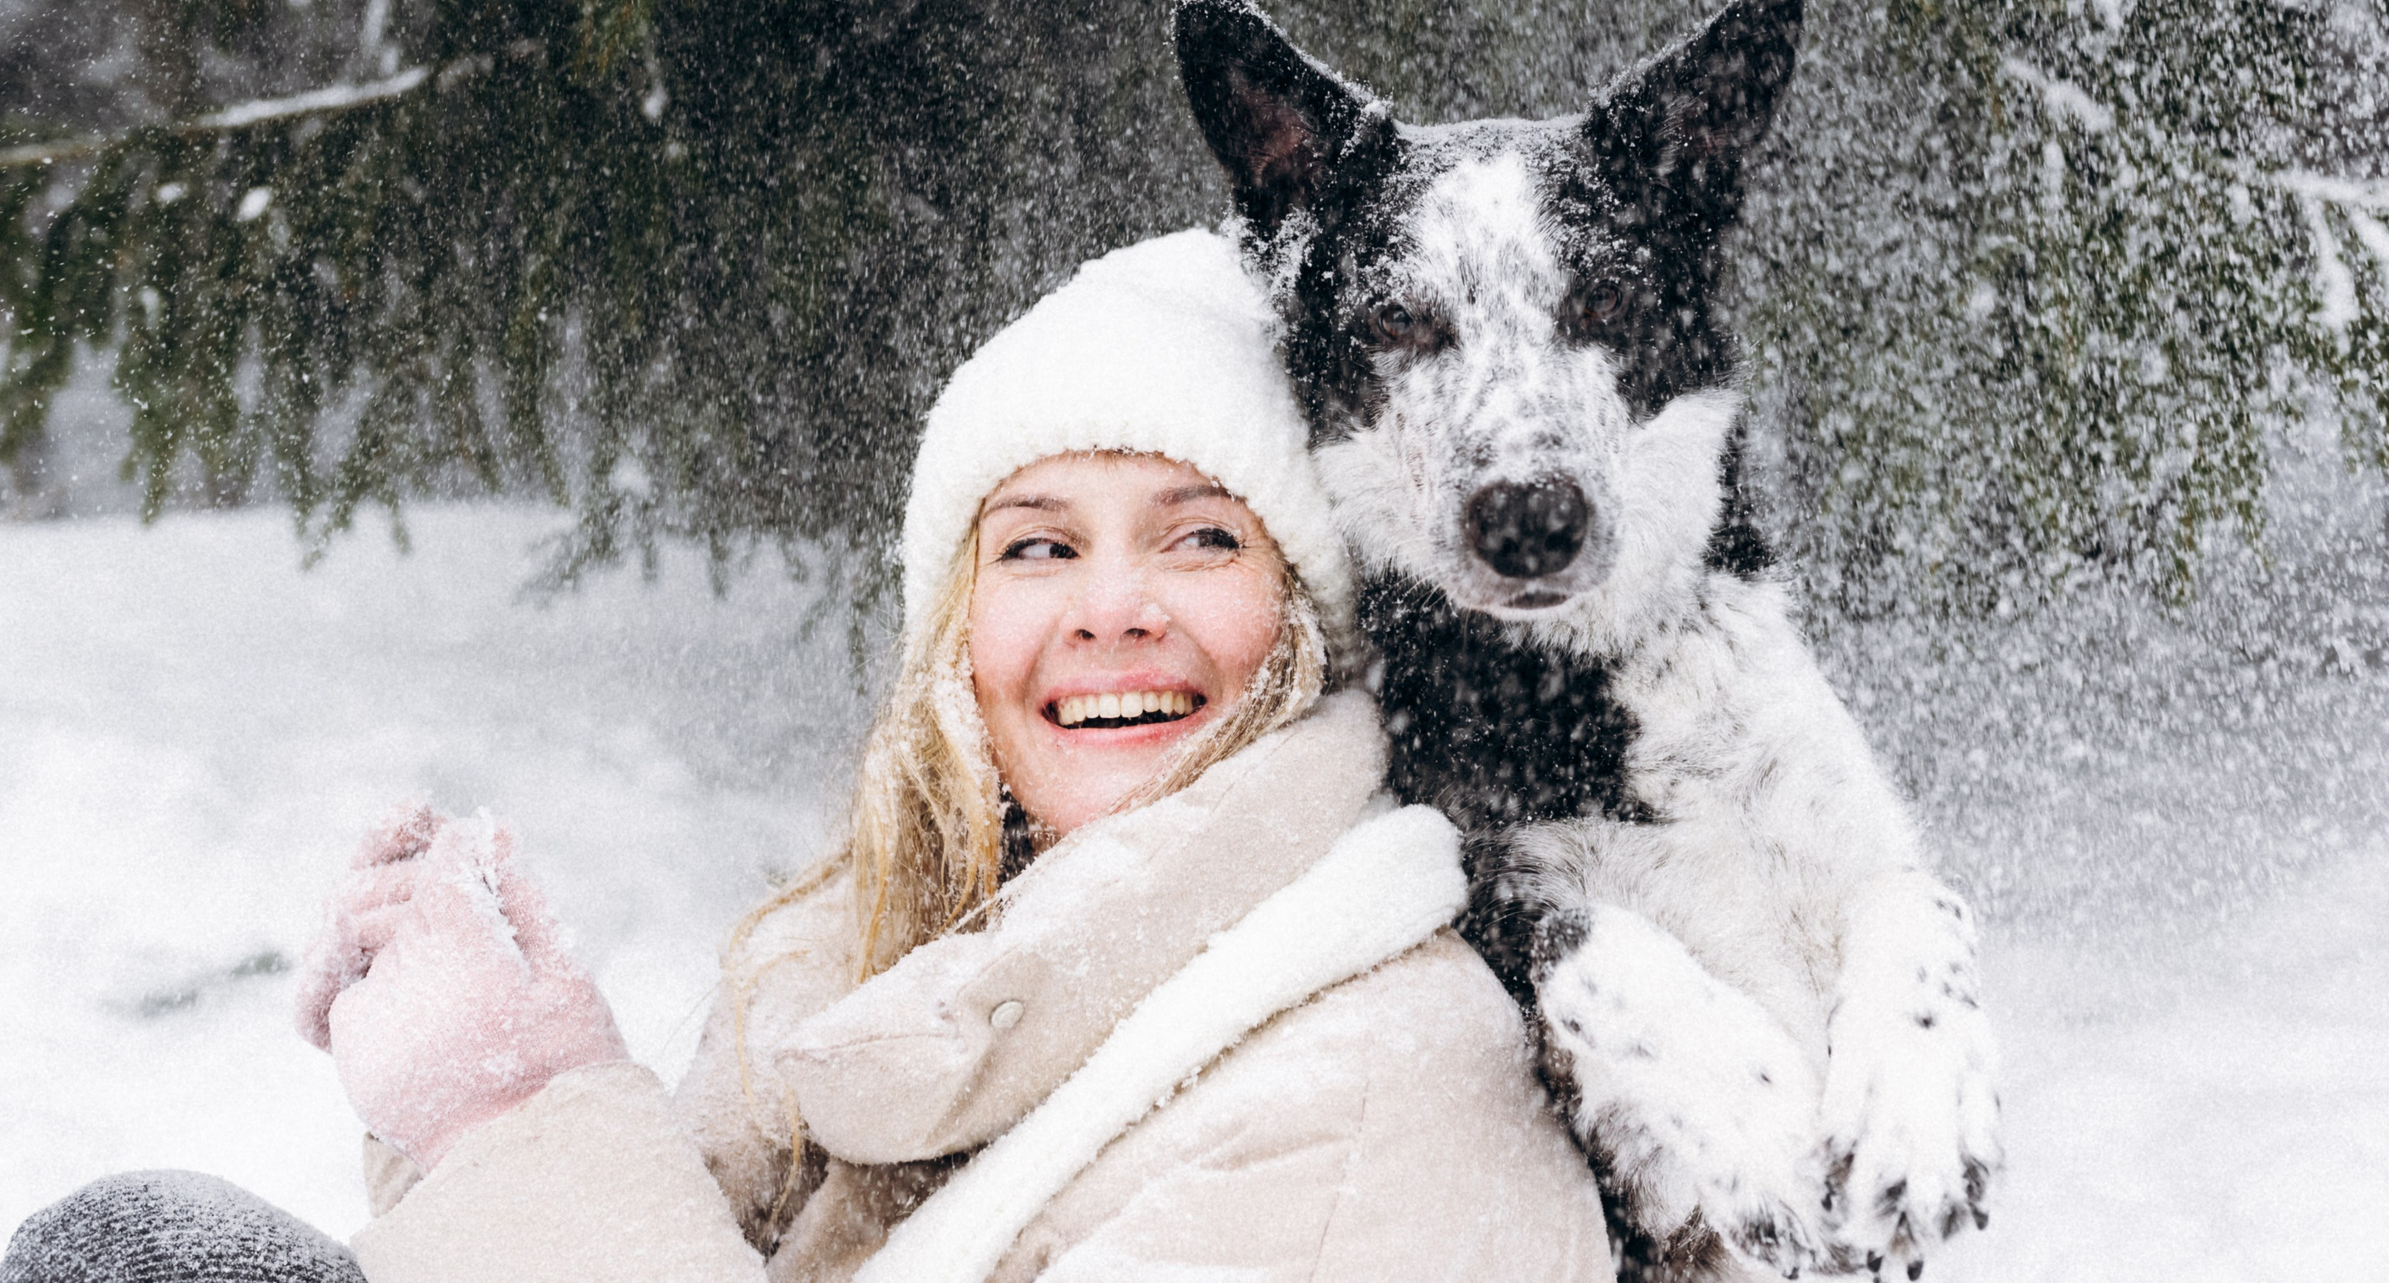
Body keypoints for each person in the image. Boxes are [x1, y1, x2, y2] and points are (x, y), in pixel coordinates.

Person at [4, 229, 1613, 1283]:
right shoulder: (880, 975)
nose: (1112, 611)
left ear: (1309, 619)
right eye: (1037, 550)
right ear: (953, 639)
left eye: (1199, 539)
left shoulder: (1383, 1095)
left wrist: (522, 1119)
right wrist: (492, 1079)